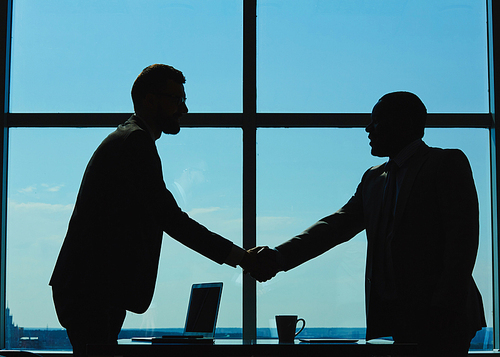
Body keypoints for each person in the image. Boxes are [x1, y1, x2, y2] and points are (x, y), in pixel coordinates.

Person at [247, 91, 486, 356]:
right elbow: (336, 226)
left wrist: (446, 306)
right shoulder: (374, 179)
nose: (368, 128)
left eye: (377, 121)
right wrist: (279, 256)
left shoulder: (446, 164)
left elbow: (462, 242)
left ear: (403, 123)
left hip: (443, 318)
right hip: (400, 319)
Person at [49, 64, 253, 356]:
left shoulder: (127, 139)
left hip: (90, 287)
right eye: (177, 100)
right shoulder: (135, 142)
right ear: (149, 99)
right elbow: (169, 218)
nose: (184, 109)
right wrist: (242, 257)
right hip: (92, 290)